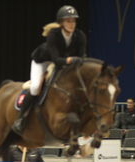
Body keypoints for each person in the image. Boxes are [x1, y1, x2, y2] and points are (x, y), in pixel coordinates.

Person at [12, 5, 86, 135]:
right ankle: (21, 119)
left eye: (73, 21)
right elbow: (56, 59)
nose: (72, 24)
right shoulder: (54, 34)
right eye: (68, 21)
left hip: (61, 63)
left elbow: (81, 56)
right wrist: (69, 60)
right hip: (42, 61)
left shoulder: (80, 36)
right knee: (35, 88)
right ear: (61, 22)